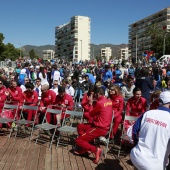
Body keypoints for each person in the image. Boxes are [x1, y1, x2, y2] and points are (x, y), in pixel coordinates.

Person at [130, 91, 170, 170]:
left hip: (137, 157)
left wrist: (136, 145)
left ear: (158, 102)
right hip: (157, 165)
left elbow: (134, 131)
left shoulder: (147, 113)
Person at [75, 87, 113, 164]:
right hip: (104, 126)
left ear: (98, 94)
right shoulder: (109, 101)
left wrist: (90, 104)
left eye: (95, 94)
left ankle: (95, 150)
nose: (95, 96)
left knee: (78, 141)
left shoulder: (100, 103)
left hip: (99, 128)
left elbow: (91, 114)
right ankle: (86, 146)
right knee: (80, 126)